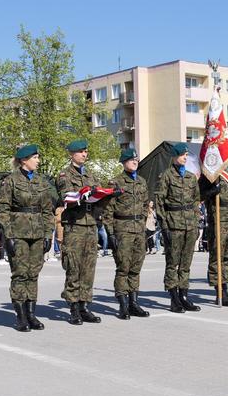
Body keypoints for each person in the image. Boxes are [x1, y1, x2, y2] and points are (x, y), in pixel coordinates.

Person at [0, 144, 55, 331]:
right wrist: (9, 235)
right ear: (24, 160)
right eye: (35, 157)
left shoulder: (42, 181)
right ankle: (20, 316)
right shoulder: (11, 181)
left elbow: (48, 210)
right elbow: (3, 210)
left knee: (33, 273)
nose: (38, 161)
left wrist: (48, 234)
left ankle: (31, 314)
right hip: (18, 232)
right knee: (20, 274)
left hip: (38, 232)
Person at [56, 139, 104, 325]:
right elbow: (65, 196)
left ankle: (84, 306)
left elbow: (98, 196)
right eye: (81, 152)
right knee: (74, 267)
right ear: (72, 154)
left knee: (89, 268)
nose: (85, 154)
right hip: (74, 226)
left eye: (86, 151)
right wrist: (83, 195)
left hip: (90, 225)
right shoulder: (64, 175)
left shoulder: (91, 175)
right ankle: (73, 308)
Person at [155, 142, 201, 313]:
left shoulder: (190, 177)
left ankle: (184, 296)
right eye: (182, 155)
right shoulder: (166, 176)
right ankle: (174, 298)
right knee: (172, 263)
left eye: (186, 155)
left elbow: (196, 201)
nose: (185, 157)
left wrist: (196, 222)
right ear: (174, 157)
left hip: (190, 224)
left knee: (186, 263)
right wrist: (165, 225)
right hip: (173, 224)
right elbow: (160, 202)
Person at [102, 148, 149, 319]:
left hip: (139, 229)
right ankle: (123, 305)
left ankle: (134, 303)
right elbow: (107, 211)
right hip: (122, 229)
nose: (135, 162)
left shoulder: (142, 182)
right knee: (123, 268)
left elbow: (145, 205)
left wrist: (143, 220)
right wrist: (111, 233)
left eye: (136, 159)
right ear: (123, 163)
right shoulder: (115, 182)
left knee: (136, 268)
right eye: (131, 160)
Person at [199, 165, 228, 306]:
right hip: (219, 219)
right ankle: (219, 291)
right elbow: (198, 194)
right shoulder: (210, 173)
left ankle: (227, 288)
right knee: (217, 256)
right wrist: (211, 192)